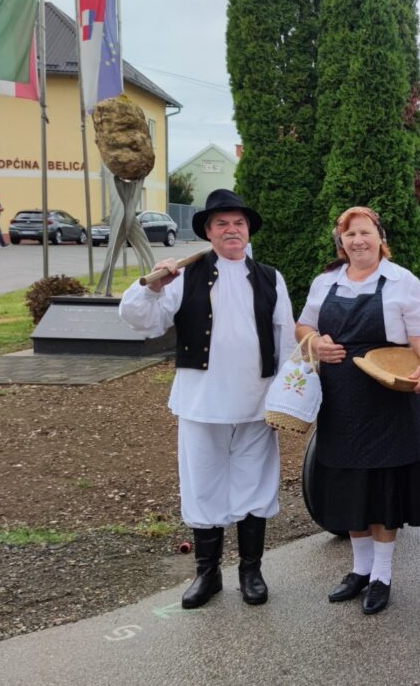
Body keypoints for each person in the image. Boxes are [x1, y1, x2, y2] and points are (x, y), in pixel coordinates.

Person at [119, 188, 296, 609]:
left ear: (248, 230)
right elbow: (141, 320)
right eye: (222, 224)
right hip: (202, 401)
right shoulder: (184, 276)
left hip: (256, 402)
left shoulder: (270, 277)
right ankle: (207, 573)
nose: (231, 230)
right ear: (209, 232)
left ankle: (251, 572)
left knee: (255, 484)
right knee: (202, 484)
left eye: (238, 223)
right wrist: (153, 287)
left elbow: (286, 340)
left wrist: (285, 397)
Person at [296, 206, 420, 616]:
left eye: (365, 232)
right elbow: (303, 326)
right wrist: (315, 343)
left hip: (387, 394)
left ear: (380, 237)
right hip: (341, 397)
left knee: (383, 489)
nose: (358, 241)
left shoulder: (401, 281)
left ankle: (382, 575)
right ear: (340, 242)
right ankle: (360, 570)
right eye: (349, 235)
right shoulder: (326, 282)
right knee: (349, 484)